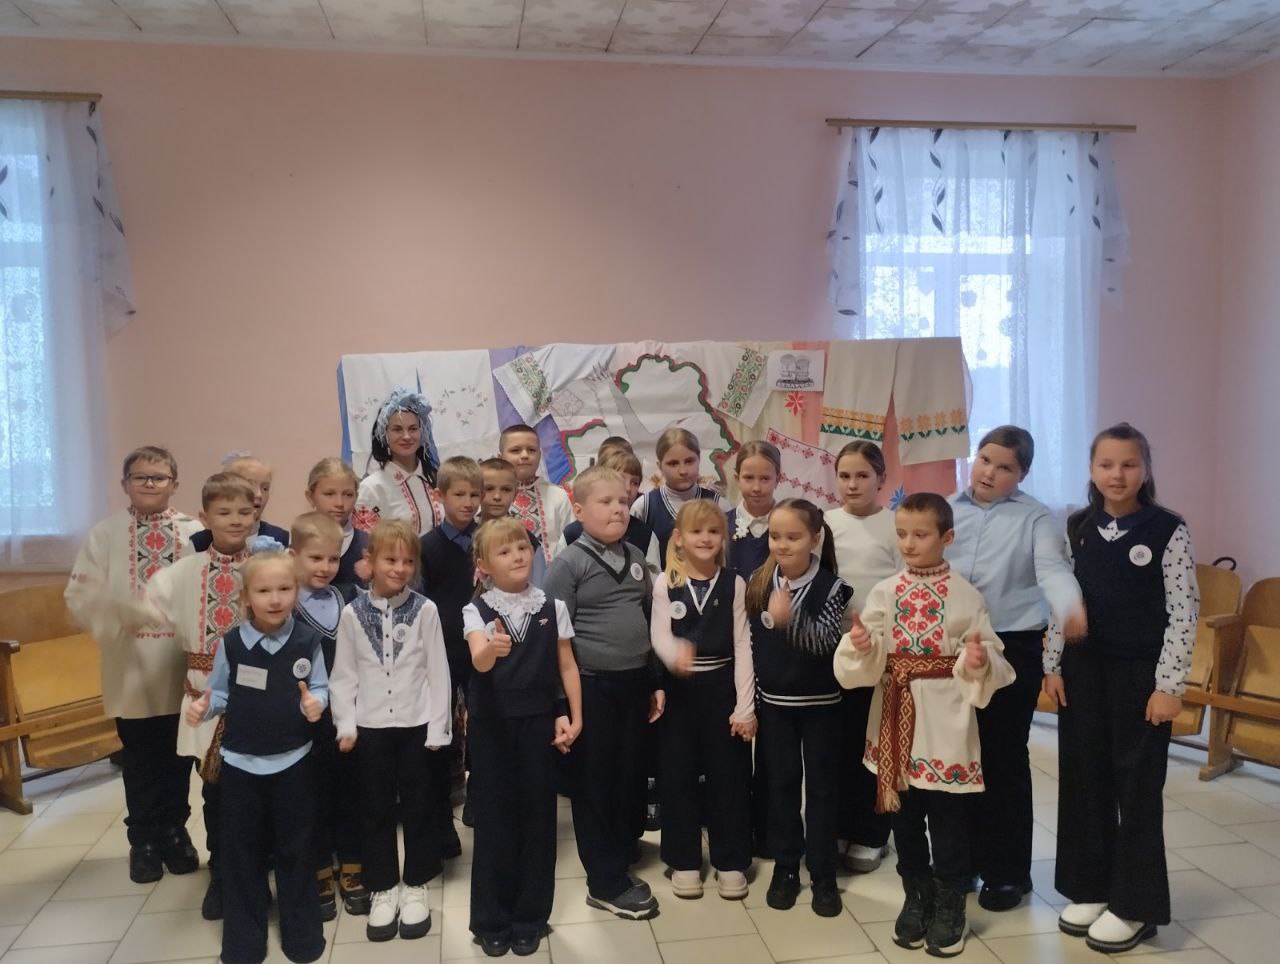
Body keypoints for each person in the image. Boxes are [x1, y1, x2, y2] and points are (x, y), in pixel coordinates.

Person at [835, 492, 1013, 958]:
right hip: (894, 712)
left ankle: (951, 904)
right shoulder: (886, 591)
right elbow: (868, 648)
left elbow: (992, 653)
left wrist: (977, 659)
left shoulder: (964, 594)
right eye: (901, 534)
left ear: (946, 537)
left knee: (949, 819)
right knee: (905, 818)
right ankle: (917, 897)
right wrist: (862, 644)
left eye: (920, 534)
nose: (908, 544)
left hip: (945, 720)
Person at [1044, 423, 1198, 954]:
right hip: (1083, 672)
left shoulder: (1167, 529)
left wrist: (1169, 684)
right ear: (1091, 470)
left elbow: (1184, 612)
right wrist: (1053, 664)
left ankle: (1134, 905)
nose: (1117, 474)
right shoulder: (1078, 527)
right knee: (1084, 778)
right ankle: (1090, 887)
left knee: (1136, 788)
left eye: (1129, 464)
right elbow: (1062, 599)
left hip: (1140, 678)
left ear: (1145, 470)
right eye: (1106, 464)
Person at [947, 425, 1087, 911]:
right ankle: (961, 862)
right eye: (985, 459)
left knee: (1002, 758)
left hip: (1012, 646)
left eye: (1004, 467)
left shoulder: (1037, 519)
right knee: (956, 755)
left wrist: (1070, 607)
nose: (989, 472)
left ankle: (1007, 873)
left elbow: (1053, 571)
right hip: (953, 647)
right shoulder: (947, 508)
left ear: (1022, 474)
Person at [64, 445, 203, 884]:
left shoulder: (194, 532)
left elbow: (207, 584)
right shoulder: (105, 535)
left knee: (179, 756)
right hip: (131, 664)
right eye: (140, 477)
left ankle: (175, 832)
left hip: (181, 664)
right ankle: (143, 841)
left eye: (159, 477)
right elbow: (79, 595)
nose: (149, 484)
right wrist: (117, 613)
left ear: (175, 484)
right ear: (125, 484)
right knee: (140, 759)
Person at [186, 540, 329, 964]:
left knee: (296, 850)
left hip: (293, 762)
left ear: (296, 592)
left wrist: (317, 703)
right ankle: (243, 942)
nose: (275, 599)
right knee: (242, 854)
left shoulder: (307, 640)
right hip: (241, 766)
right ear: (246, 596)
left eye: (284, 589)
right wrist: (204, 706)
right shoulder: (232, 644)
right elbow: (219, 692)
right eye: (264, 591)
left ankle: (303, 936)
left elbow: (320, 686)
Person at [544, 466, 664, 921]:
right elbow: (554, 640)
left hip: (634, 684)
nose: (618, 509)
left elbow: (648, 622)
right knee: (595, 781)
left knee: (628, 774)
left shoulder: (634, 556)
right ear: (578, 511)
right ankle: (604, 881)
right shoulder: (569, 564)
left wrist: (654, 680)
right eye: (605, 502)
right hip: (590, 687)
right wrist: (561, 704)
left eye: (623, 502)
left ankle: (620, 848)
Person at [137, 472, 258, 920]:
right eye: (224, 512)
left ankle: (256, 873)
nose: (235, 520)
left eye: (244, 512)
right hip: (205, 699)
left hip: (260, 699)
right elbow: (149, 616)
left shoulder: (267, 565)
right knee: (216, 793)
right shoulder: (181, 573)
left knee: (257, 792)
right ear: (205, 517)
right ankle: (222, 875)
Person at [462, 517, 582, 956]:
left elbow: (566, 664)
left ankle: (530, 916)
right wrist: (489, 650)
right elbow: (478, 659)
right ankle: (491, 918)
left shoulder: (552, 606)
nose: (517, 556)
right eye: (504, 551)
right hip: (492, 726)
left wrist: (573, 715)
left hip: (537, 722)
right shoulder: (477, 609)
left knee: (537, 818)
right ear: (484, 565)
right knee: (494, 820)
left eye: (523, 547)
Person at [330, 519, 452, 942]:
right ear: (370, 561)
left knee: (419, 804)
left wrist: (438, 728)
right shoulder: (352, 613)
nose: (399, 569)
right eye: (390, 560)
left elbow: (438, 672)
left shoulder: (426, 610)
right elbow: (343, 675)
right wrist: (345, 723)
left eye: (407, 561)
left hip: (417, 724)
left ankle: (416, 883)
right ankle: (383, 886)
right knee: (375, 806)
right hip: (371, 727)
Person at [747, 499, 852, 917]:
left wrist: (788, 619)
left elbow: (824, 642)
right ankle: (786, 866)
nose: (782, 545)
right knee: (782, 786)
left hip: (822, 707)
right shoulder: (759, 582)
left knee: (823, 790)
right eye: (776, 536)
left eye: (793, 537)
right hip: (775, 707)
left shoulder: (833, 587)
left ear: (815, 538)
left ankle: (824, 873)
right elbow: (750, 644)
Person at [650, 500, 754, 901]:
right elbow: (659, 634)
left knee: (729, 777)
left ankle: (731, 860)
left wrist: (744, 706)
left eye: (713, 531)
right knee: (677, 776)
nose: (706, 538)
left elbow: (743, 645)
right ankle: (684, 860)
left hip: (722, 689)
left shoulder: (734, 583)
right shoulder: (665, 583)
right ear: (679, 538)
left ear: (723, 538)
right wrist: (674, 653)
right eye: (696, 531)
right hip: (679, 694)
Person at [824, 441, 899, 875]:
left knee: (875, 743)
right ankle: (837, 826)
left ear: (881, 479)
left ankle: (872, 833)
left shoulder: (894, 526)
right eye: (845, 476)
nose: (852, 484)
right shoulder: (825, 523)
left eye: (862, 476)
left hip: (881, 653)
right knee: (838, 743)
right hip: (835, 652)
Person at [288, 511, 365, 919]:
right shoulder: (284, 605)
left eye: (333, 559)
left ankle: (352, 862)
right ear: (293, 556)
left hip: (347, 715)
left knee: (350, 790)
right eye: (315, 558)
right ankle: (318, 867)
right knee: (309, 796)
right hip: (303, 722)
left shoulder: (349, 597)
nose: (325, 567)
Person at [419, 455, 484, 860]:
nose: (468, 502)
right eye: (459, 494)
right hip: (440, 652)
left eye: (475, 494)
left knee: (483, 726)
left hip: (481, 651)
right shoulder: (426, 546)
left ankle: (479, 799)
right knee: (439, 735)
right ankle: (441, 824)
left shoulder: (487, 540)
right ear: (440, 495)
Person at [631, 427, 729, 562]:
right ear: (660, 466)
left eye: (689, 461)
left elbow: (727, 557)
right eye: (673, 464)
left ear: (699, 459)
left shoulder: (719, 506)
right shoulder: (644, 507)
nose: (683, 471)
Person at [354, 388, 440, 536]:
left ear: (423, 431)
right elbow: (366, 544)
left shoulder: (436, 478)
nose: (406, 436)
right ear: (384, 434)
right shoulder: (371, 489)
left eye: (413, 429)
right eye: (397, 429)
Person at [560, 448, 661, 574]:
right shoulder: (571, 534)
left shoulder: (645, 535)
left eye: (635, 482)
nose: (628, 488)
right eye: (621, 478)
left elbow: (653, 580)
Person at [500, 424, 573, 564]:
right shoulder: (490, 497)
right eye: (515, 450)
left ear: (539, 456)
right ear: (500, 457)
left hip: (552, 574)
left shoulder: (558, 496)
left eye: (531, 450)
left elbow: (572, 542)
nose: (525, 455)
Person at [191, 454, 289, 551]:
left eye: (265, 488)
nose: (259, 494)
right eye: (250, 485)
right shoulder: (198, 542)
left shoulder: (280, 539)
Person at [478, 457, 547, 588]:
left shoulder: (526, 540)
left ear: (515, 493)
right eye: (489, 488)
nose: (497, 496)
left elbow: (539, 586)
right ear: (477, 491)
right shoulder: (465, 537)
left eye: (506, 489)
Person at [304, 457, 369, 592]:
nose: (339, 503)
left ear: (356, 497)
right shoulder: (295, 541)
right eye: (329, 494)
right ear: (310, 497)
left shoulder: (368, 546)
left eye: (348, 495)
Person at [727, 441, 780, 581]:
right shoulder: (720, 526)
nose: (756, 488)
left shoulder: (791, 526)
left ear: (777, 480)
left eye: (765, 478)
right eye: (749, 478)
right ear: (737, 479)